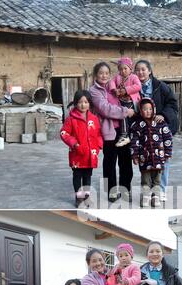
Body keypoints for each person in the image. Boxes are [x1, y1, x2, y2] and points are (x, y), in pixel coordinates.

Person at [90, 62, 135, 203]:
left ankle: (126, 190)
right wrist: (125, 112)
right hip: (108, 130)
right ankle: (112, 191)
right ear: (96, 75)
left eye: (106, 73)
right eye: (101, 73)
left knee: (125, 160)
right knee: (110, 161)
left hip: (122, 129)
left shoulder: (113, 87)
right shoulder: (94, 91)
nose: (104, 76)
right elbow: (105, 109)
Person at [135, 60, 179, 202]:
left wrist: (164, 115)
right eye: (137, 70)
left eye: (143, 69)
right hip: (143, 130)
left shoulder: (161, 86)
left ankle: (161, 190)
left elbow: (172, 103)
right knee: (146, 160)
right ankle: (148, 191)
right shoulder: (133, 89)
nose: (140, 72)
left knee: (162, 159)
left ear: (149, 71)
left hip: (160, 129)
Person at [60, 90, 103, 208]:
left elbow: (99, 133)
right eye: (80, 102)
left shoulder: (94, 118)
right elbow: (64, 133)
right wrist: (74, 143)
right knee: (77, 176)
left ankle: (86, 196)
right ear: (75, 103)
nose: (83, 105)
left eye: (86, 102)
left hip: (90, 154)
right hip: (77, 154)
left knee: (87, 176)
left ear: (89, 103)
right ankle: (79, 197)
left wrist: (99, 145)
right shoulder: (71, 119)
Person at [130, 98, 173, 208]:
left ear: (153, 109)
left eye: (150, 109)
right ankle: (145, 197)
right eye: (145, 109)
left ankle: (156, 197)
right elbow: (134, 141)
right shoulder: (137, 125)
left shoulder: (160, 123)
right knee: (145, 180)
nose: (148, 111)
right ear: (140, 110)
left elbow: (167, 138)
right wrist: (135, 155)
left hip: (159, 157)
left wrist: (168, 153)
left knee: (157, 180)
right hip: (144, 159)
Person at [109, 57, 141, 147]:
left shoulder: (133, 77)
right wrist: (114, 89)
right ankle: (124, 134)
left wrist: (126, 90)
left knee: (123, 113)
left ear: (130, 69)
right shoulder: (118, 77)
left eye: (125, 68)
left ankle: (125, 135)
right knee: (121, 114)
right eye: (121, 69)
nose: (123, 71)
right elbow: (111, 82)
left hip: (131, 102)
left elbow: (138, 86)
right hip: (121, 101)